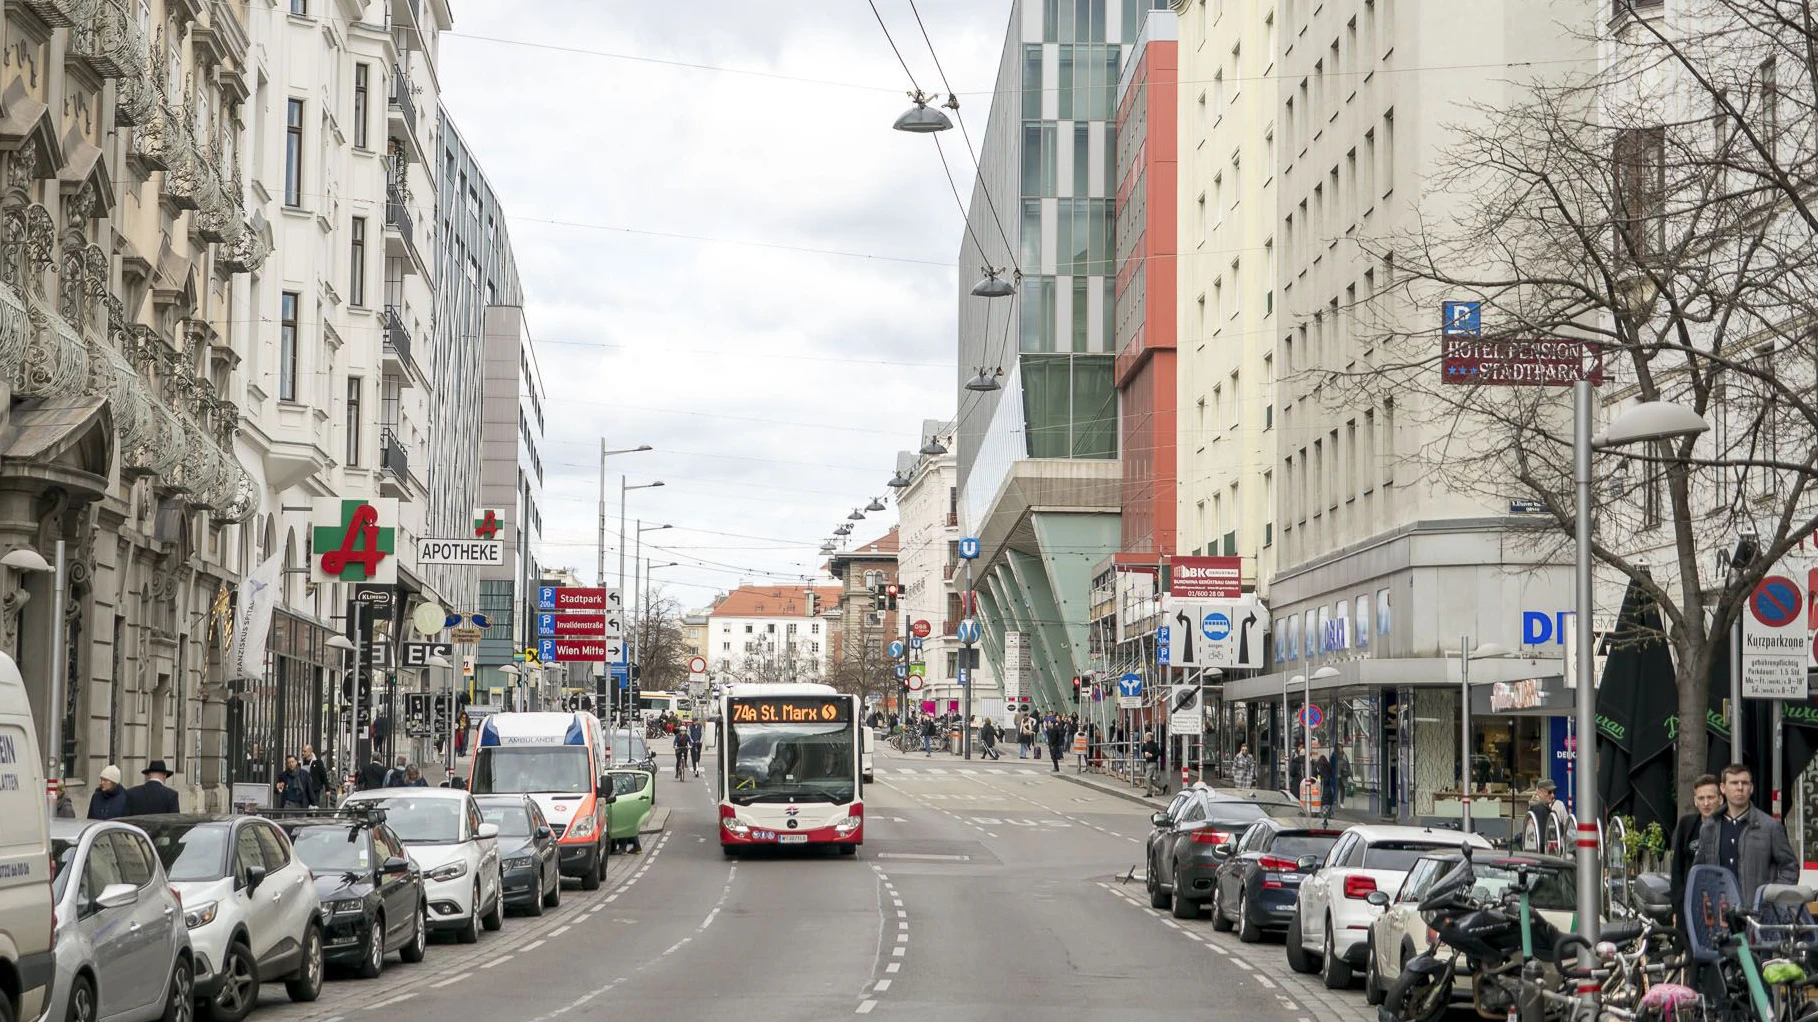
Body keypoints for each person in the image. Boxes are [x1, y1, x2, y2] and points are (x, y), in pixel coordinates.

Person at [1695, 763, 1799, 906]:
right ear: (1723, 788)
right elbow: (1700, 871)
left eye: (1744, 783)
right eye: (1734, 783)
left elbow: (1790, 867)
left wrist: (1771, 898)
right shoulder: (1709, 827)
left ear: (1751, 788)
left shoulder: (1770, 827)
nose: (1739, 787)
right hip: (1719, 915)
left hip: (1758, 915)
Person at [1670, 774, 1722, 927]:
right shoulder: (1687, 825)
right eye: (1701, 798)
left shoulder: (1726, 827)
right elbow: (1677, 868)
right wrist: (1677, 906)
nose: (1706, 803)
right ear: (1695, 801)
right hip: (1689, 902)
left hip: (1719, 901)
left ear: (1720, 799)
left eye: (1710, 797)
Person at [1526, 780, 1572, 853]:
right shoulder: (1540, 809)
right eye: (1549, 792)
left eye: (1554, 792)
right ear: (1540, 792)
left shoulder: (1541, 808)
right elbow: (1541, 838)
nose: (1553, 795)